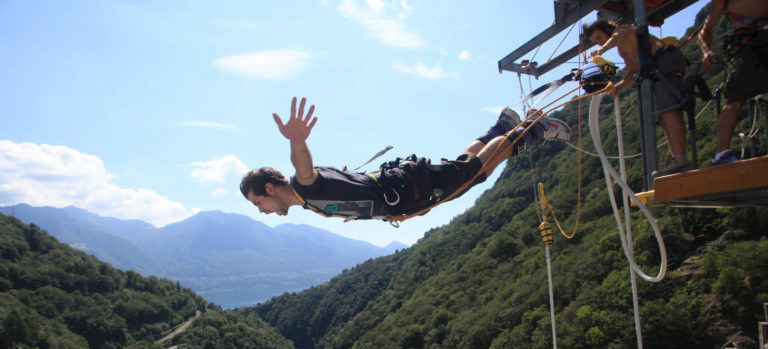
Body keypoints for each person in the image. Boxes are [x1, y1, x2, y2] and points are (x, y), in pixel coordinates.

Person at [240, 97, 571, 221]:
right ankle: (502, 126)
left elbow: (303, 169)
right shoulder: (309, 200)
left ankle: (533, 129)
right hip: (409, 186)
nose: (262, 211)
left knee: (477, 172)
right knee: (465, 167)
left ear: (270, 188)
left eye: (258, 203)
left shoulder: (304, 187)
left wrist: (298, 142)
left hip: (412, 188)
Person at [585, 19, 690, 177]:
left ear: (607, 29)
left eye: (599, 37)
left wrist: (603, 50)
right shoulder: (622, 50)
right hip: (656, 70)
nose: (599, 43)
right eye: (596, 42)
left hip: (664, 60)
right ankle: (676, 158)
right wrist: (617, 88)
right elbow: (633, 72)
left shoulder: (624, 30)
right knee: (663, 118)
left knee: (669, 110)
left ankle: (680, 157)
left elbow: (620, 35)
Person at [697, 0, 768, 165]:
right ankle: (722, 153)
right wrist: (706, 51)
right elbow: (706, 28)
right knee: (735, 98)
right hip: (744, 42)